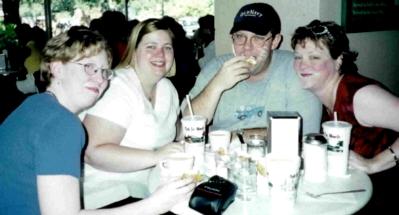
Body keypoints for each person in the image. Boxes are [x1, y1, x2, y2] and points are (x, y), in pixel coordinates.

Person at [0, 27, 194, 215]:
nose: (99, 79)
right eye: (88, 67)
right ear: (57, 68)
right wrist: (153, 206)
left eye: (104, 71)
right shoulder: (62, 125)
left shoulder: (33, 106)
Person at [291, 19, 399, 214]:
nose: (302, 65)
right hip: (356, 191)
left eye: (314, 57)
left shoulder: (360, 96)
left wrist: (373, 164)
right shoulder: (325, 95)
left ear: (339, 60)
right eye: (298, 57)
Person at [81, 18, 185, 207]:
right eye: (151, 46)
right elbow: (91, 152)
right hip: (105, 194)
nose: (160, 54)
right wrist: (156, 156)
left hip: (150, 189)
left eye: (167, 47)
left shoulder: (167, 88)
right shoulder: (117, 87)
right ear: (134, 51)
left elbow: (174, 131)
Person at [182, 3, 322, 136]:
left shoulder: (297, 68)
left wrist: (238, 136)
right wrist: (216, 85)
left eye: (258, 38)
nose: (247, 47)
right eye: (240, 37)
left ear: (274, 41)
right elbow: (184, 131)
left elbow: (304, 134)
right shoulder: (215, 68)